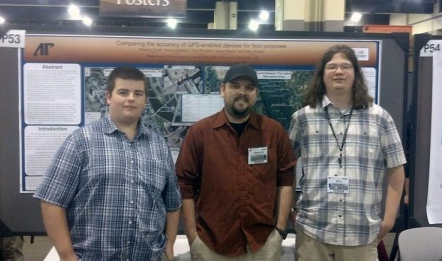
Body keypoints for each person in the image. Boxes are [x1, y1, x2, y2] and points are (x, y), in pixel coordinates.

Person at [33, 66, 181, 260]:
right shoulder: (80, 142)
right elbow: (52, 202)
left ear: (145, 100)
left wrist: (169, 246)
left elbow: (172, 203)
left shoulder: (159, 146)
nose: (131, 98)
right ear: (108, 97)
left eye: (138, 93)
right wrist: (67, 256)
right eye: (123, 92)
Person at [288, 45, 406, 261]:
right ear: (322, 75)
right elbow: (285, 167)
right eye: (331, 67)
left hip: (361, 233)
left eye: (345, 66)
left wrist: (389, 220)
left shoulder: (380, 118)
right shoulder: (302, 118)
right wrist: (290, 212)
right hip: (313, 232)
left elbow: (396, 170)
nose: (338, 71)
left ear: (356, 74)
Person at [176, 63, 297, 260]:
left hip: (262, 244)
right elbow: (185, 185)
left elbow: (285, 180)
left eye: (249, 88)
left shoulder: (273, 133)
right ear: (222, 89)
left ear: (256, 93)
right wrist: (192, 238)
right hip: (211, 245)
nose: (242, 92)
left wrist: (280, 231)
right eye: (235, 86)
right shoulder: (200, 133)